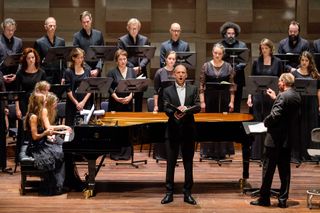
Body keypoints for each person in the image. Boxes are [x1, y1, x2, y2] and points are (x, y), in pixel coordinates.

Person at [250, 73, 301, 208]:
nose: (278, 83)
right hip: (287, 139)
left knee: (268, 171)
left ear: (283, 82)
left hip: (274, 140)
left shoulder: (282, 96)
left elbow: (276, 115)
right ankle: (283, 200)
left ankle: (264, 199)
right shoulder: (296, 96)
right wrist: (276, 98)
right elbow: (286, 112)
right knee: (285, 172)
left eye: (279, 81)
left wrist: (265, 122)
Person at [161, 64, 200, 205]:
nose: (181, 75)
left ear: (186, 74)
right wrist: (174, 113)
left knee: (188, 163)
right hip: (172, 130)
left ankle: (187, 192)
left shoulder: (193, 89)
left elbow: (198, 107)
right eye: (178, 72)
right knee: (170, 163)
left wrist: (187, 110)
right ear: (174, 74)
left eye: (183, 72)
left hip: (188, 131)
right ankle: (169, 192)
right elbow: (165, 108)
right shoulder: (167, 90)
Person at [247, 38, 283, 160]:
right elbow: (251, 80)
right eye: (262, 48)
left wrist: (279, 96)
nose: (264, 50)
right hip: (258, 96)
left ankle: (269, 152)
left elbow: (280, 80)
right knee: (258, 122)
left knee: (270, 123)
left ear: (271, 49)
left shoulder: (278, 62)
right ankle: (256, 153)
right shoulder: (256, 62)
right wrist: (249, 96)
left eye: (266, 48)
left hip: (271, 96)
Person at [199, 43, 236, 160]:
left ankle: (222, 151)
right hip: (210, 98)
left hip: (224, 98)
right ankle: (209, 151)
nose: (217, 55)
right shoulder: (206, 66)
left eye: (219, 53)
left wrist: (232, 101)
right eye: (215, 53)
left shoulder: (228, 66)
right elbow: (201, 85)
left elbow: (232, 86)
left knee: (223, 124)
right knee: (210, 124)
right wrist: (202, 101)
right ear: (212, 53)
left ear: (222, 54)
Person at [25, 92, 65, 195]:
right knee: (59, 154)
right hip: (36, 147)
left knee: (62, 151)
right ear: (39, 103)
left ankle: (61, 183)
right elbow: (34, 137)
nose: (46, 101)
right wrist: (45, 133)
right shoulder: (33, 117)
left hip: (42, 143)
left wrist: (61, 129)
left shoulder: (40, 113)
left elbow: (48, 128)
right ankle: (56, 186)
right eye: (44, 100)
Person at [107, 49, 136, 160]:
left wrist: (130, 96)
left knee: (127, 128)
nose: (123, 61)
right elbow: (109, 87)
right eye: (120, 59)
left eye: (124, 59)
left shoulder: (132, 71)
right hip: (115, 103)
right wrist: (116, 98)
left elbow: (134, 86)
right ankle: (116, 152)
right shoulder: (111, 72)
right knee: (116, 128)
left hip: (128, 103)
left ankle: (127, 153)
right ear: (116, 61)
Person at [291, 51, 320, 162]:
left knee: (311, 127)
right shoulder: (294, 74)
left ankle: (313, 154)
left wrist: (319, 105)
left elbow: (318, 91)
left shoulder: (315, 74)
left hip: (311, 103)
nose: (304, 62)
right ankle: (300, 154)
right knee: (300, 128)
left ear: (310, 61)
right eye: (302, 60)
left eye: (306, 60)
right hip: (299, 103)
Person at [117, 18, 150, 112]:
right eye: (131, 28)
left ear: (139, 28)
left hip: (141, 71)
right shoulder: (122, 40)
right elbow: (121, 56)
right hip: (127, 72)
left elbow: (148, 56)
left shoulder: (145, 40)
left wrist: (140, 67)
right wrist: (132, 68)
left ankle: (138, 123)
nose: (134, 30)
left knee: (139, 98)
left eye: (135, 28)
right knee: (127, 98)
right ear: (128, 28)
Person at [152, 51, 177, 160]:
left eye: (173, 59)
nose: (171, 60)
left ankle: (175, 153)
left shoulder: (178, 72)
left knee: (175, 128)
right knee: (163, 128)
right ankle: (161, 154)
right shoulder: (159, 72)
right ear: (166, 59)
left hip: (175, 104)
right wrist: (155, 106)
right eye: (170, 58)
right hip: (163, 104)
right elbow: (156, 91)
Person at [219, 21, 248, 113]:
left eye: (233, 33)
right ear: (224, 34)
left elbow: (245, 61)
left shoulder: (242, 45)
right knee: (225, 102)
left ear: (236, 34)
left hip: (238, 77)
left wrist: (235, 69)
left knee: (237, 102)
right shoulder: (220, 45)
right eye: (229, 33)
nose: (231, 35)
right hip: (224, 77)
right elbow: (217, 60)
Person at [64, 47, 91, 127]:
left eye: (82, 57)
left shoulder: (87, 70)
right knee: (71, 127)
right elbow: (68, 89)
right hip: (72, 103)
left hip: (85, 102)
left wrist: (83, 102)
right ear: (73, 58)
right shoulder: (68, 71)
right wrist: (77, 103)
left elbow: (91, 88)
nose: (80, 60)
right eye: (78, 58)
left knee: (85, 127)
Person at [34, 17, 66, 84]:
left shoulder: (61, 41)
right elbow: (37, 62)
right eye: (50, 26)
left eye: (54, 26)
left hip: (58, 75)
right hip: (45, 75)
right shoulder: (39, 42)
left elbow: (63, 61)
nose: (52, 27)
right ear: (45, 27)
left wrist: (64, 76)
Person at [73, 11, 104, 77]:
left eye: (87, 21)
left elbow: (102, 54)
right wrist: (88, 70)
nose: (86, 24)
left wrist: (98, 69)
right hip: (83, 72)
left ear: (91, 20)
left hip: (97, 72)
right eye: (84, 22)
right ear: (81, 22)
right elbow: (77, 56)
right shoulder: (77, 36)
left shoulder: (99, 34)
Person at [0, 18, 23, 91]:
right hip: (1, 77)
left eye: (12, 30)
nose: (10, 32)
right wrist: (1, 77)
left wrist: (16, 75)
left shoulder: (19, 41)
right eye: (8, 30)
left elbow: (20, 61)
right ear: (3, 29)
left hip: (14, 77)